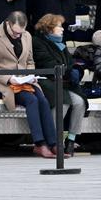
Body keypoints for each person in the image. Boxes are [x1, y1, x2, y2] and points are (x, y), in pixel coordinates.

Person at [0, 11, 56, 158]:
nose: (18, 36)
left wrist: (30, 75)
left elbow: (30, 61)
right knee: (32, 100)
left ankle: (53, 143)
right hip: (3, 81)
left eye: (21, 32)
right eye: (15, 33)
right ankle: (40, 144)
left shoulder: (26, 35)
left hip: (24, 80)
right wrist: (10, 78)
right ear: (8, 24)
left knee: (43, 100)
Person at [32, 13, 86, 157]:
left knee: (80, 102)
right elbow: (47, 63)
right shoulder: (37, 42)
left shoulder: (61, 43)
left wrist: (76, 70)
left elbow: (71, 63)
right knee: (62, 103)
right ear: (49, 28)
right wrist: (69, 71)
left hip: (64, 82)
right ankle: (54, 141)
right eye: (59, 26)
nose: (62, 29)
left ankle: (71, 140)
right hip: (47, 81)